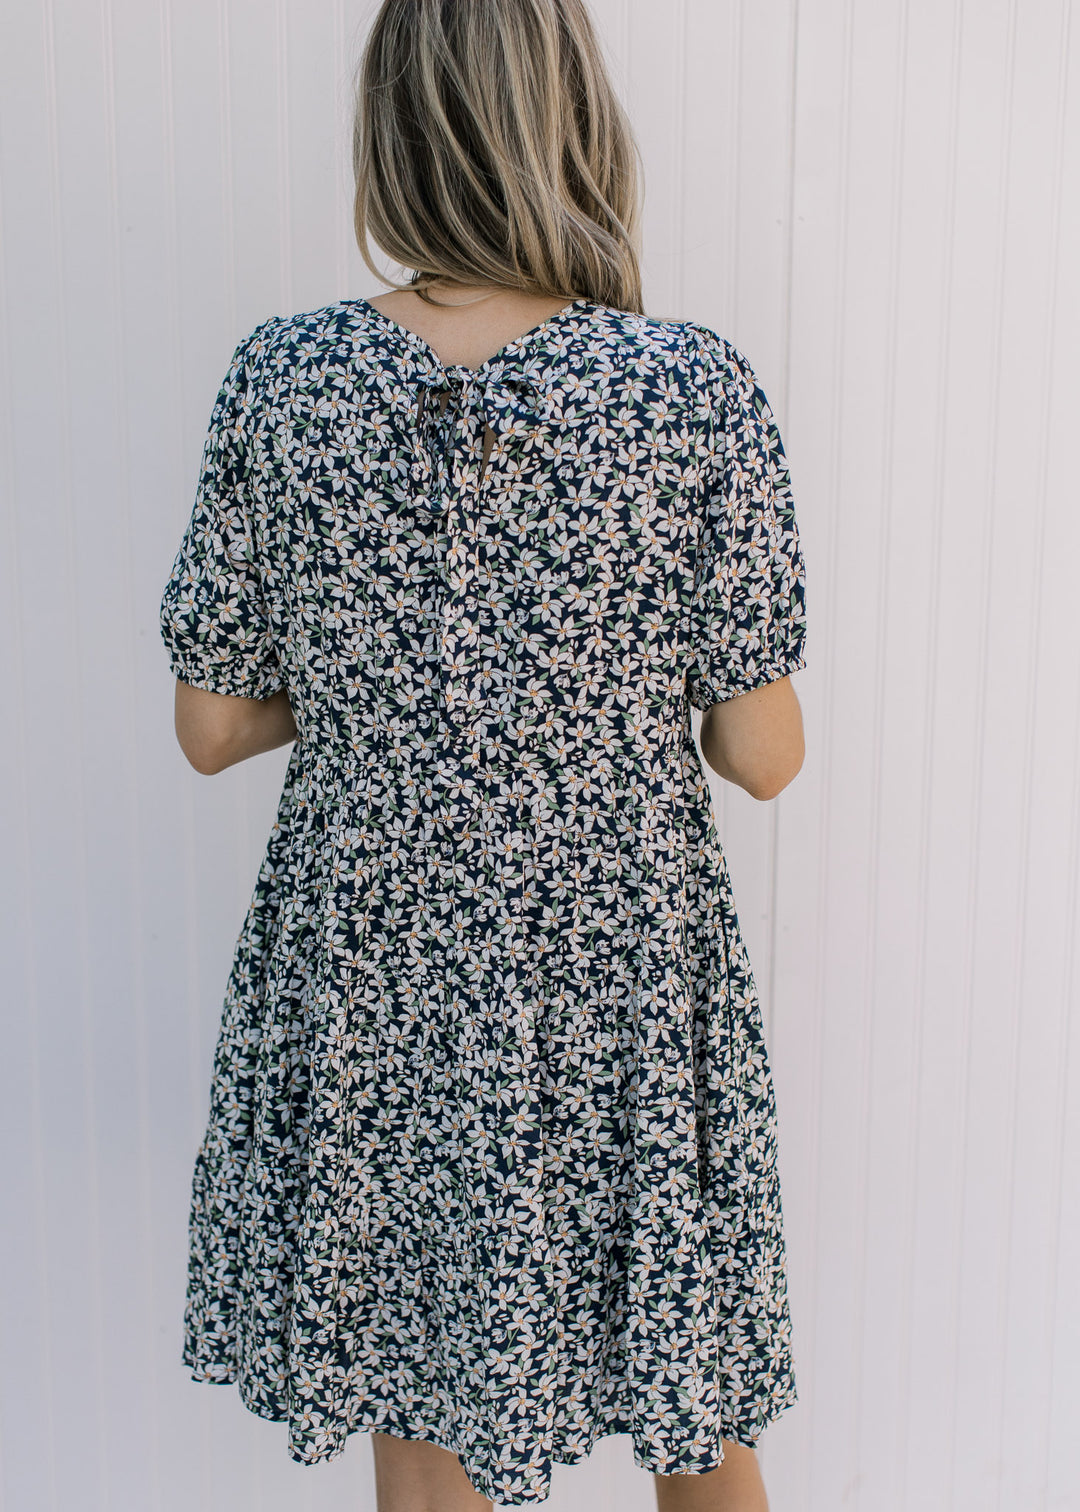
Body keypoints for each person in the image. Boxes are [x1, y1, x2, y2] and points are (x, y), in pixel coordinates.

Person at [158, 1, 807, 1508]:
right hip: (618, 980)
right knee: (690, 1388)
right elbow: (761, 752)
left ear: (392, 129)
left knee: (417, 1384)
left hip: (380, 973)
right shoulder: (687, 389)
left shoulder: (287, 379)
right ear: (574, 123)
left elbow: (209, 725)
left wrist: (397, 691)